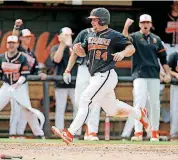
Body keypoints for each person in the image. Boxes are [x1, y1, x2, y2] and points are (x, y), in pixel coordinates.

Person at [51, 7, 151, 145]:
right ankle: (139, 114)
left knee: (85, 100)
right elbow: (83, 53)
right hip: (96, 76)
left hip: (106, 75)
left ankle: (70, 133)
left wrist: (122, 54)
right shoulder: (91, 35)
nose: (92, 22)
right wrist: (78, 51)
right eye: (92, 20)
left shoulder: (113, 35)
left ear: (103, 20)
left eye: (95, 20)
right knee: (112, 109)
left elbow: (131, 48)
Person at [122, 15, 171, 141]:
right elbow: (123, 39)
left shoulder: (156, 39)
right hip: (139, 74)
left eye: (147, 22)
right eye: (143, 22)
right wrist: (126, 26)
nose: (145, 24)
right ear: (139, 24)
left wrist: (167, 73)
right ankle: (138, 132)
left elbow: (163, 58)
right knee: (139, 102)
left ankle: (154, 131)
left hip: (154, 75)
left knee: (155, 103)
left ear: (151, 24)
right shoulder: (134, 36)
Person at [0, 35, 44, 138]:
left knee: (28, 110)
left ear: (17, 44)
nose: (11, 45)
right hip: (7, 86)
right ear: (6, 44)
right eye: (9, 43)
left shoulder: (22, 57)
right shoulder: (2, 57)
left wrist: (17, 84)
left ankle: (39, 134)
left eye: (13, 43)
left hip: (19, 87)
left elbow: (25, 74)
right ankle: (13, 134)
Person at [9, 19, 47, 138]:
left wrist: (40, 72)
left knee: (25, 109)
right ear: (20, 38)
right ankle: (12, 134)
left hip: (23, 83)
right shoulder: (17, 49)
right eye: (25, 37)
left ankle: (19, 133)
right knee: (15, 110)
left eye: (29, 37)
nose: (28, 39)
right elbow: (13, 38)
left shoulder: (30, 53)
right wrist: (16, 27)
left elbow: (36, 67)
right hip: (13, 82)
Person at [63, 28, 101, 141]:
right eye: (93, 20)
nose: (95, 22)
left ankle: (92, 130)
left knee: (95, 100)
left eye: (97, 20)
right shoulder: (84, 32)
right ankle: (79, 129)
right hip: (84, 68)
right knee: (79, 101)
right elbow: (74, 53)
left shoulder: (107, 34)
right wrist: (67, 70)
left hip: (98, 69)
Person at [50, 27, 78, 132]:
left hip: (74, 83)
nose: (68, 37)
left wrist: (70, 44)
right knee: (60, 108)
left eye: (70, 35)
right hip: (60, 83)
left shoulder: (74, 47)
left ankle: (75, 131)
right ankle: (59, 130)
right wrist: (62, 44)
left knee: (77, 107)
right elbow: (57, 60)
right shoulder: (55, 47)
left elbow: (75, 57)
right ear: (59, 36)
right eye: (66, 35)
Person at [167, 51, 178, 141]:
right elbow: (168, 70)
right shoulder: (174, 55)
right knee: (174, 110)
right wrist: (176, 74)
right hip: (176, 85)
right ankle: (174, 132)